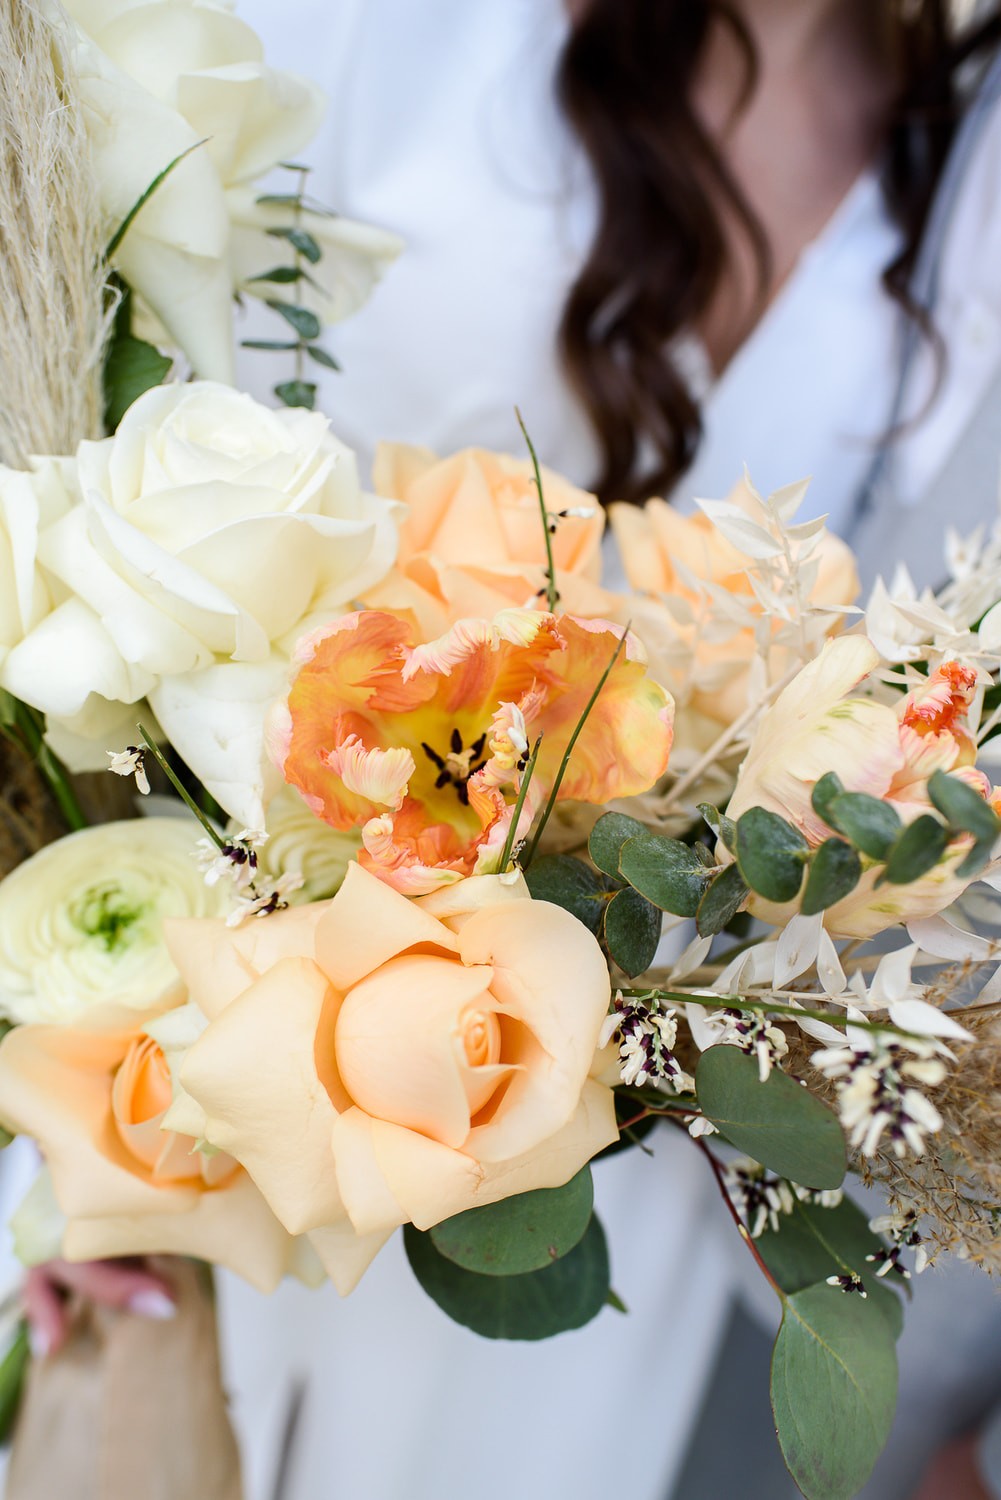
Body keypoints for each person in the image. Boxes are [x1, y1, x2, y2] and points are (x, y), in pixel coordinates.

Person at [16, 2, 1001, 1497]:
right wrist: (69, 1133)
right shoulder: (400, 31)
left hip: (574, 1106)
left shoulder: (957, 162)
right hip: (229, 1034)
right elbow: (82, 436)